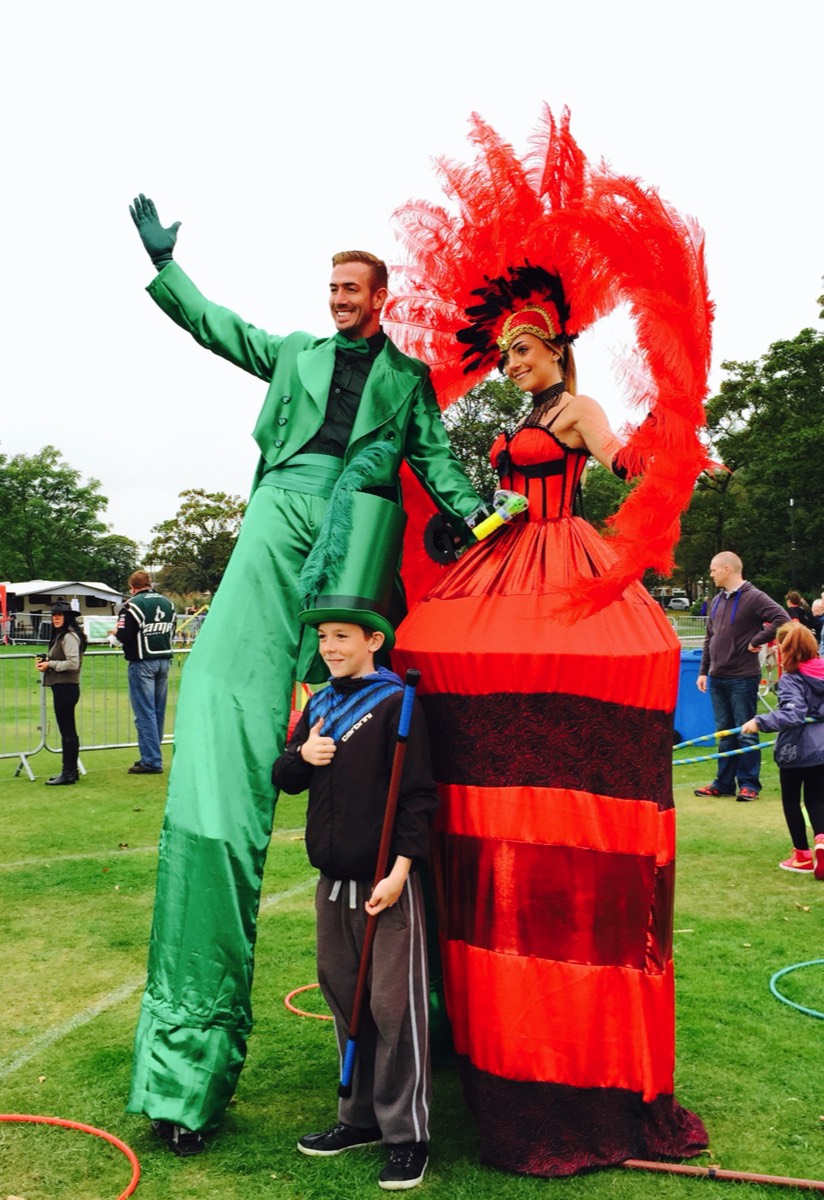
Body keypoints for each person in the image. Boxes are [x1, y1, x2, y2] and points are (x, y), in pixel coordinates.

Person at [385, 110, 711, 1176]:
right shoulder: (518, 415)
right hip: (501, 556)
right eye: (506, 353)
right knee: (430, 648)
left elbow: (621, 473)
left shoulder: (575, 413)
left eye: (524, 350)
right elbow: (484, 505)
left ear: (558, 347)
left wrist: (662, 459)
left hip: (562, 560)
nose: (513, 365)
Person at [125, 197, 485, 1147]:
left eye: (351, 289)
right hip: (279, 520)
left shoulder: (406, 380)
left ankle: (413, 1052)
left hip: (356, 539)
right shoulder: (292, 353)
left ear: (381, 297)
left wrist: (482, 517)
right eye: (328, 289)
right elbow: (219, 329)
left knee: (380, 760)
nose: (336, 301)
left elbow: (439, 466)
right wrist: (169, 271)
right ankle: (184, 1073)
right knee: (212, 719)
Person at [272, 613, 436, 1192]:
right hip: (332, 883)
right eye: (323, 637)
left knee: (395, 1011)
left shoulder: (397, 702)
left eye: (341, 636)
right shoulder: (318, 706)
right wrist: (303, 757)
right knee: (345, 1001)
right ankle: (357, 1119)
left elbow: (417, 796)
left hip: (385, 884)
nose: (330, 647)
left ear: (374, 641)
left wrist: (398, 873)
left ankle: (407, 1137)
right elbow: (284, 775)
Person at [694, 553, 789, 801]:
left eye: (714, 570)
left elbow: (782, 619)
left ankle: (749, 784)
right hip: (717, 676)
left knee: (747, 730)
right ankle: (723, 783)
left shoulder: (754, 596)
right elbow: (709, 639)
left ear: (727, 569)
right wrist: (703, 671)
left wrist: (756, 641)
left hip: (742, 677)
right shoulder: (716, 600)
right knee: (724, 732)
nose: (711, 574)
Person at [741, 623, 824, 877]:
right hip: (822, 749)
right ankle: (821, 841)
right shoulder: (821, 672)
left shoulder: (792, 677)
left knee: (791, 800)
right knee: (817, 800)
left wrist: (759, 722)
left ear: (785, 650)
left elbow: (793, 713)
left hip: (796, 750)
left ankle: (802, 856)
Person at [113, 570, 175, 775]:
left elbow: (125, 635)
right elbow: (172, 630)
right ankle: (152, 755)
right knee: (158, 711)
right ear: (149, 583)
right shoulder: (168, 603)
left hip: (142, 662)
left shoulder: (132, 605)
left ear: (132, 587)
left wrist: (114, 636)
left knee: (144, 713)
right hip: (164, 660)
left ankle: (152, 760)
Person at [36, 600, 87, 786]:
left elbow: (72, 664)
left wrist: (51, 664)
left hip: (66, 686)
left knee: (67, 731)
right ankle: (70, 771)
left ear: (67, 617)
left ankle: (69, 772)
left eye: (60, 615)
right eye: (54, 615)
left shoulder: (69, 636)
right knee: (67, 730)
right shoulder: (62, 635)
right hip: (63, 686)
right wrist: (46, 663)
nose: (56, 618)